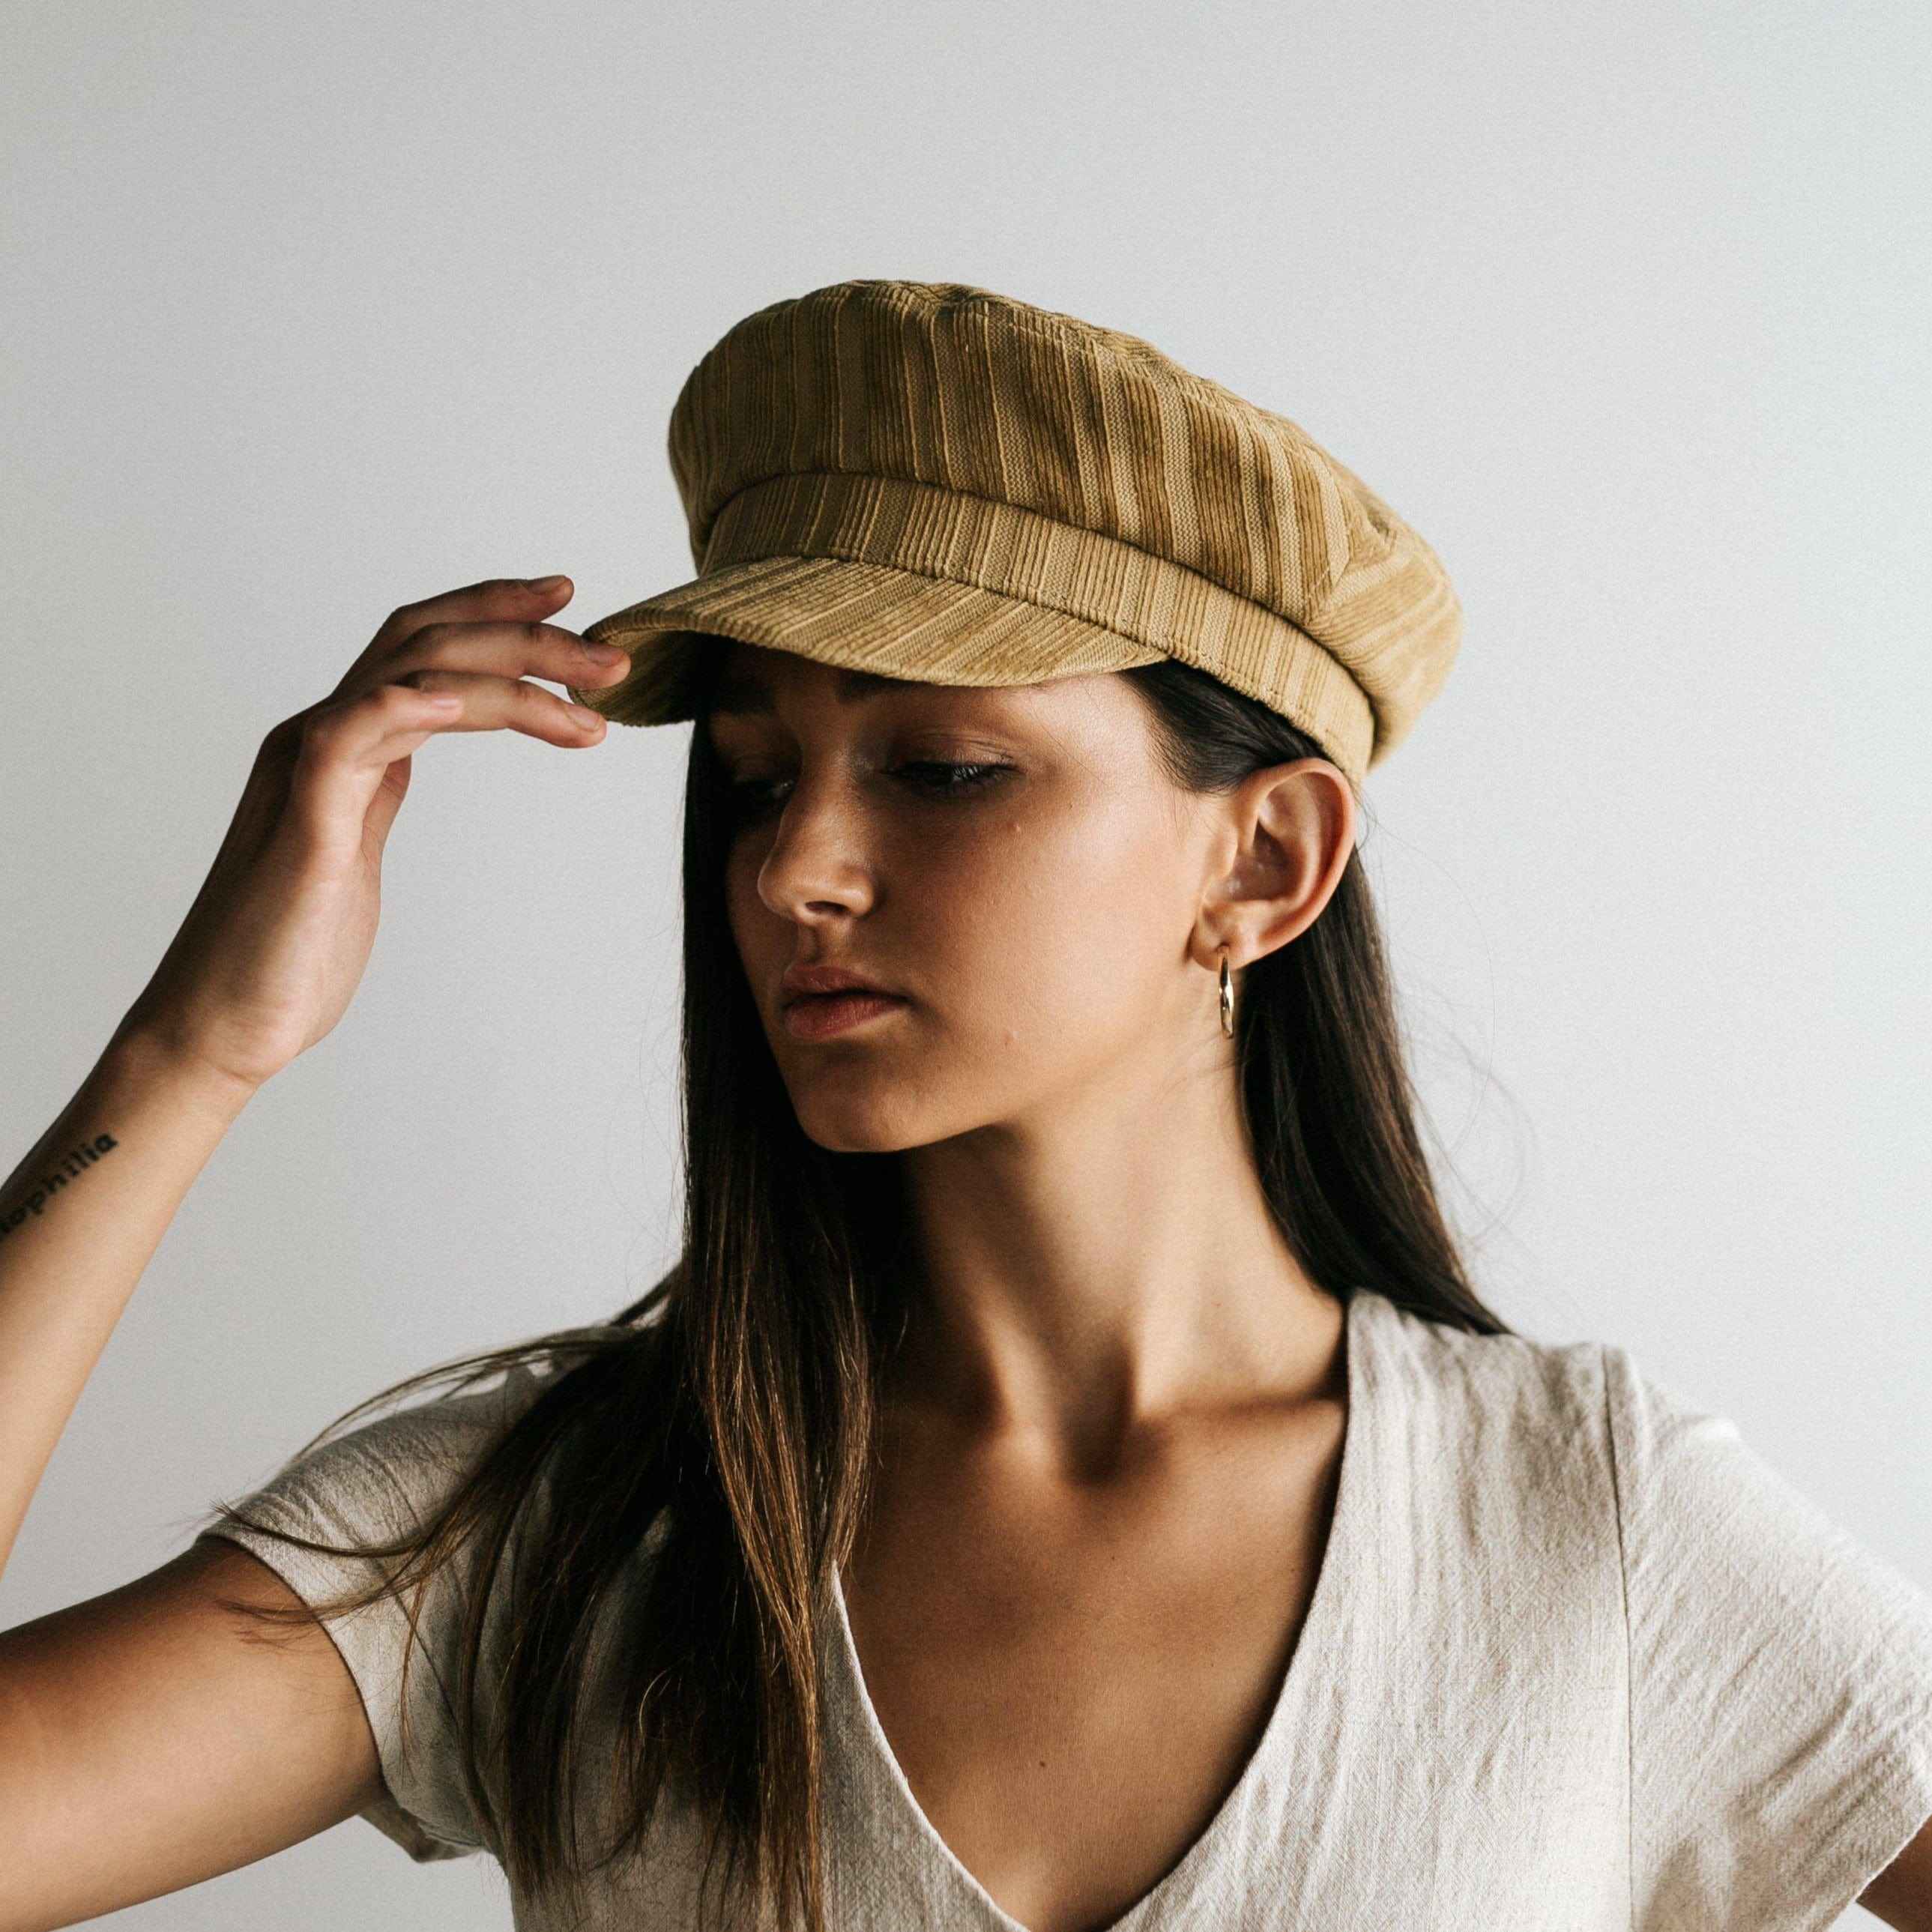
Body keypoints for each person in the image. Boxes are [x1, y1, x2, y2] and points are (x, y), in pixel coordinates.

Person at [2, 280, 1930, 1932]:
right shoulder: (552, 1527)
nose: (792, 870)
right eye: (754, 780)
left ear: (1262, 857)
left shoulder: (1588, 1526)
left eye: (937, 768)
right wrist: (194, 1051)